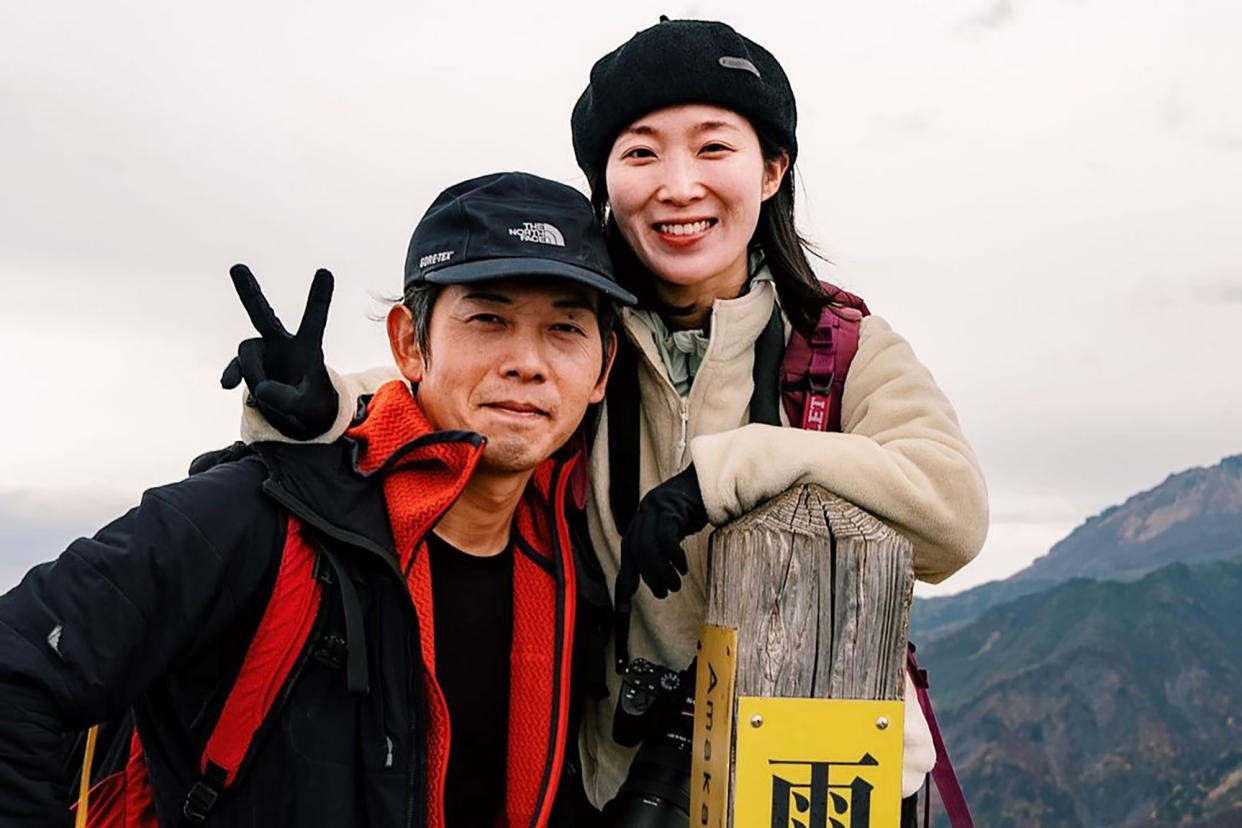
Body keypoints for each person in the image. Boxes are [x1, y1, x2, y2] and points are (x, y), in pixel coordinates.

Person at [224, 18, 989, 825]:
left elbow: (954, 516)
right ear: (605, 184)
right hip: (615, 771)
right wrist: (320, 406)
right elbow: (449, 393)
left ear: (772, 170)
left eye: (714, 148)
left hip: (817, 772)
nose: (679, 185)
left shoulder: (837, 347)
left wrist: (727, 474)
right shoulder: (583, 339)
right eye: (641, 152)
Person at [0, 171, 636, 827]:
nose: (528, 362)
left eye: (565, 328)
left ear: (603, 368)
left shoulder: (582, 564)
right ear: (409, 345)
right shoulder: (257, 515)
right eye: (488, 319)